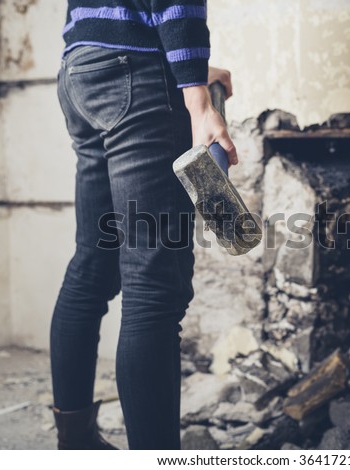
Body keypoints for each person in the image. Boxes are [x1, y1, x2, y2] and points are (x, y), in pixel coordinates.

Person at [50, 0, 236, 450]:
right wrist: (197, 97)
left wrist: (192, 69)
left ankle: (77, 443)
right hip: (135, 74)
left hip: (82, 68)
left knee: (94, 263)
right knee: (153, 285)